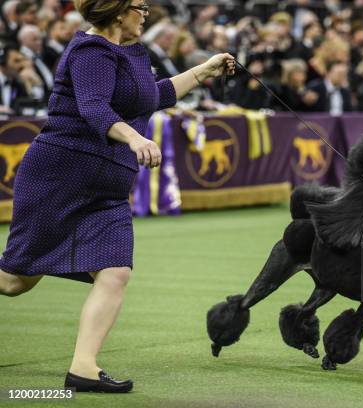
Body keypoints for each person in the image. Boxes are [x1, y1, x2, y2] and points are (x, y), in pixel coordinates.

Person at [0, 0, 235, 393]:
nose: (147, 13)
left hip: (107, 189)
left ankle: (83, 368)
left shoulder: (127, 54)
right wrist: (135, 136)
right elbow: (94, 108)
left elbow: (152, 97)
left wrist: (203, 70)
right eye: (141, 7)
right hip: (60, 178)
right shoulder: (91, 51)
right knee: (14, 283)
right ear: (118, 11)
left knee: (115, 272)